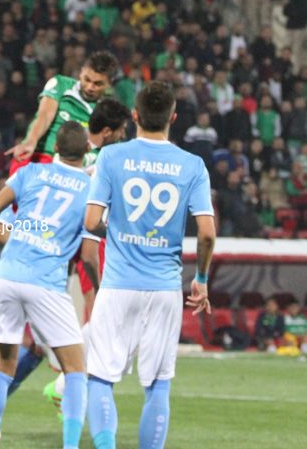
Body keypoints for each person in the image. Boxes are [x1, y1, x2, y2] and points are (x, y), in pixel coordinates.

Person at [84, 82, 216, 449]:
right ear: (173, 118)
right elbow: (207, 233)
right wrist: (201, 278)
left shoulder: (111, 157)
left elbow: (91, 221)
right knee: (158, 384)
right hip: (164, 288)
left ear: (135, 116)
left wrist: (119, 230)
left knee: (100, 378)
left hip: (118, 284)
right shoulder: (192, 165)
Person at [0, 121, 92, 449]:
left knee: (3, 365)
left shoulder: (30, 172)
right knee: (75, 369)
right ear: (86, 150)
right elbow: (88, 251)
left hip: (8, 275)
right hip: (46, 281)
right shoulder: (90, 188)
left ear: (55, 148)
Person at [6, 51, 118, 174]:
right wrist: (30, 141)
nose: (90, 87)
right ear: (81, 72)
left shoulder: (108, 112)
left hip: (71, 169)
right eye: (87, 79)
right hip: (39, 154)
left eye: (98, 84)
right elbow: (44, 115)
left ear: (109, 83)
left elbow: (106, 151)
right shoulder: (61, 84)